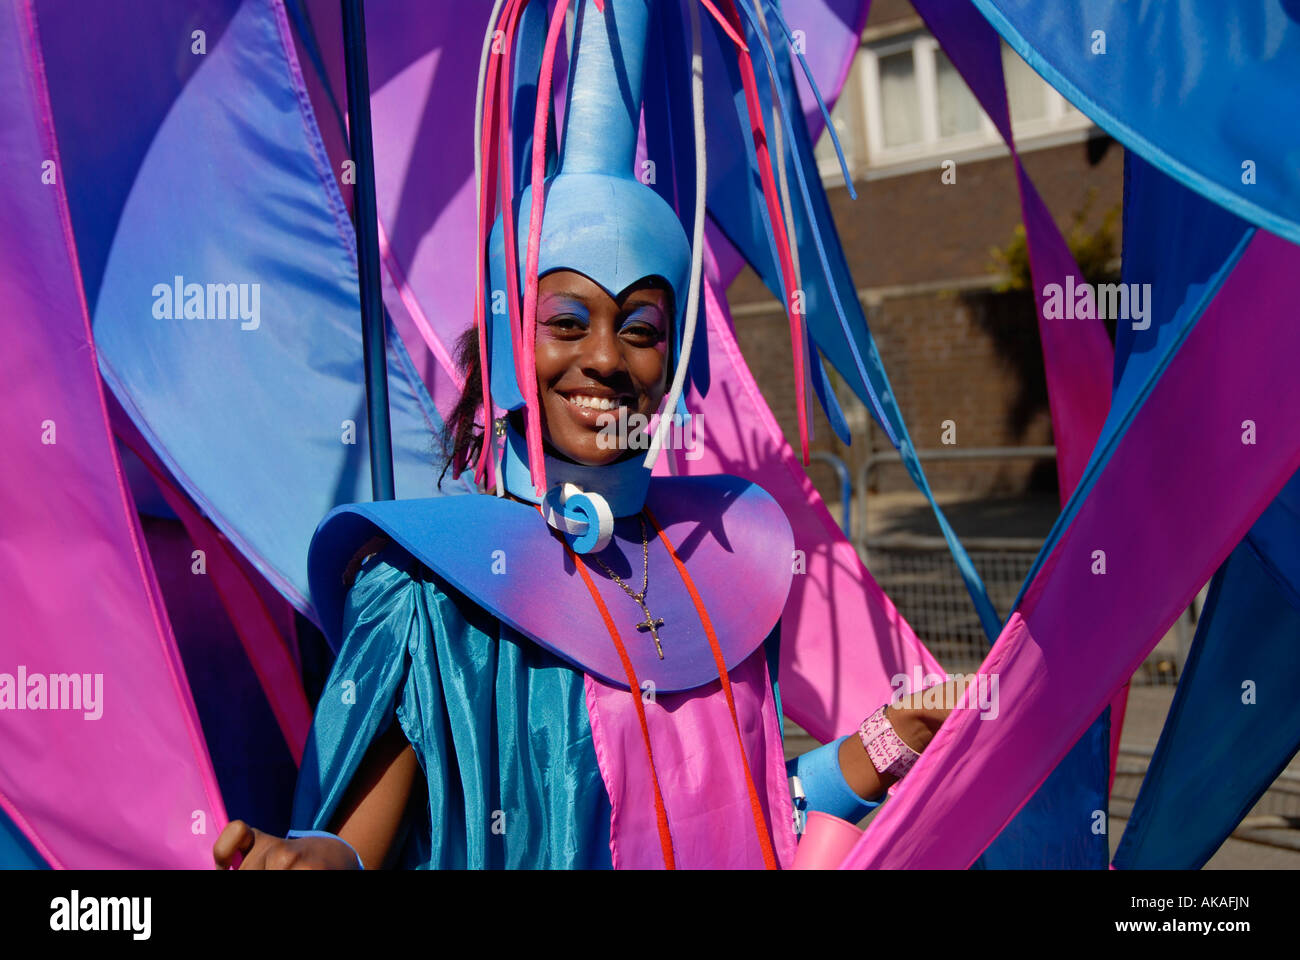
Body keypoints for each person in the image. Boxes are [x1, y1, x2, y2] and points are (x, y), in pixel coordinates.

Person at [213, 0, 966, 871]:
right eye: (567, 322)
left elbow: (740, 814)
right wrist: (319, 862)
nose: (605, 359)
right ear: (506, 339)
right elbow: (355, 843)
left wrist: (885, 743)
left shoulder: (719, 568)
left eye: (642, 327)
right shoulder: (430, 594)